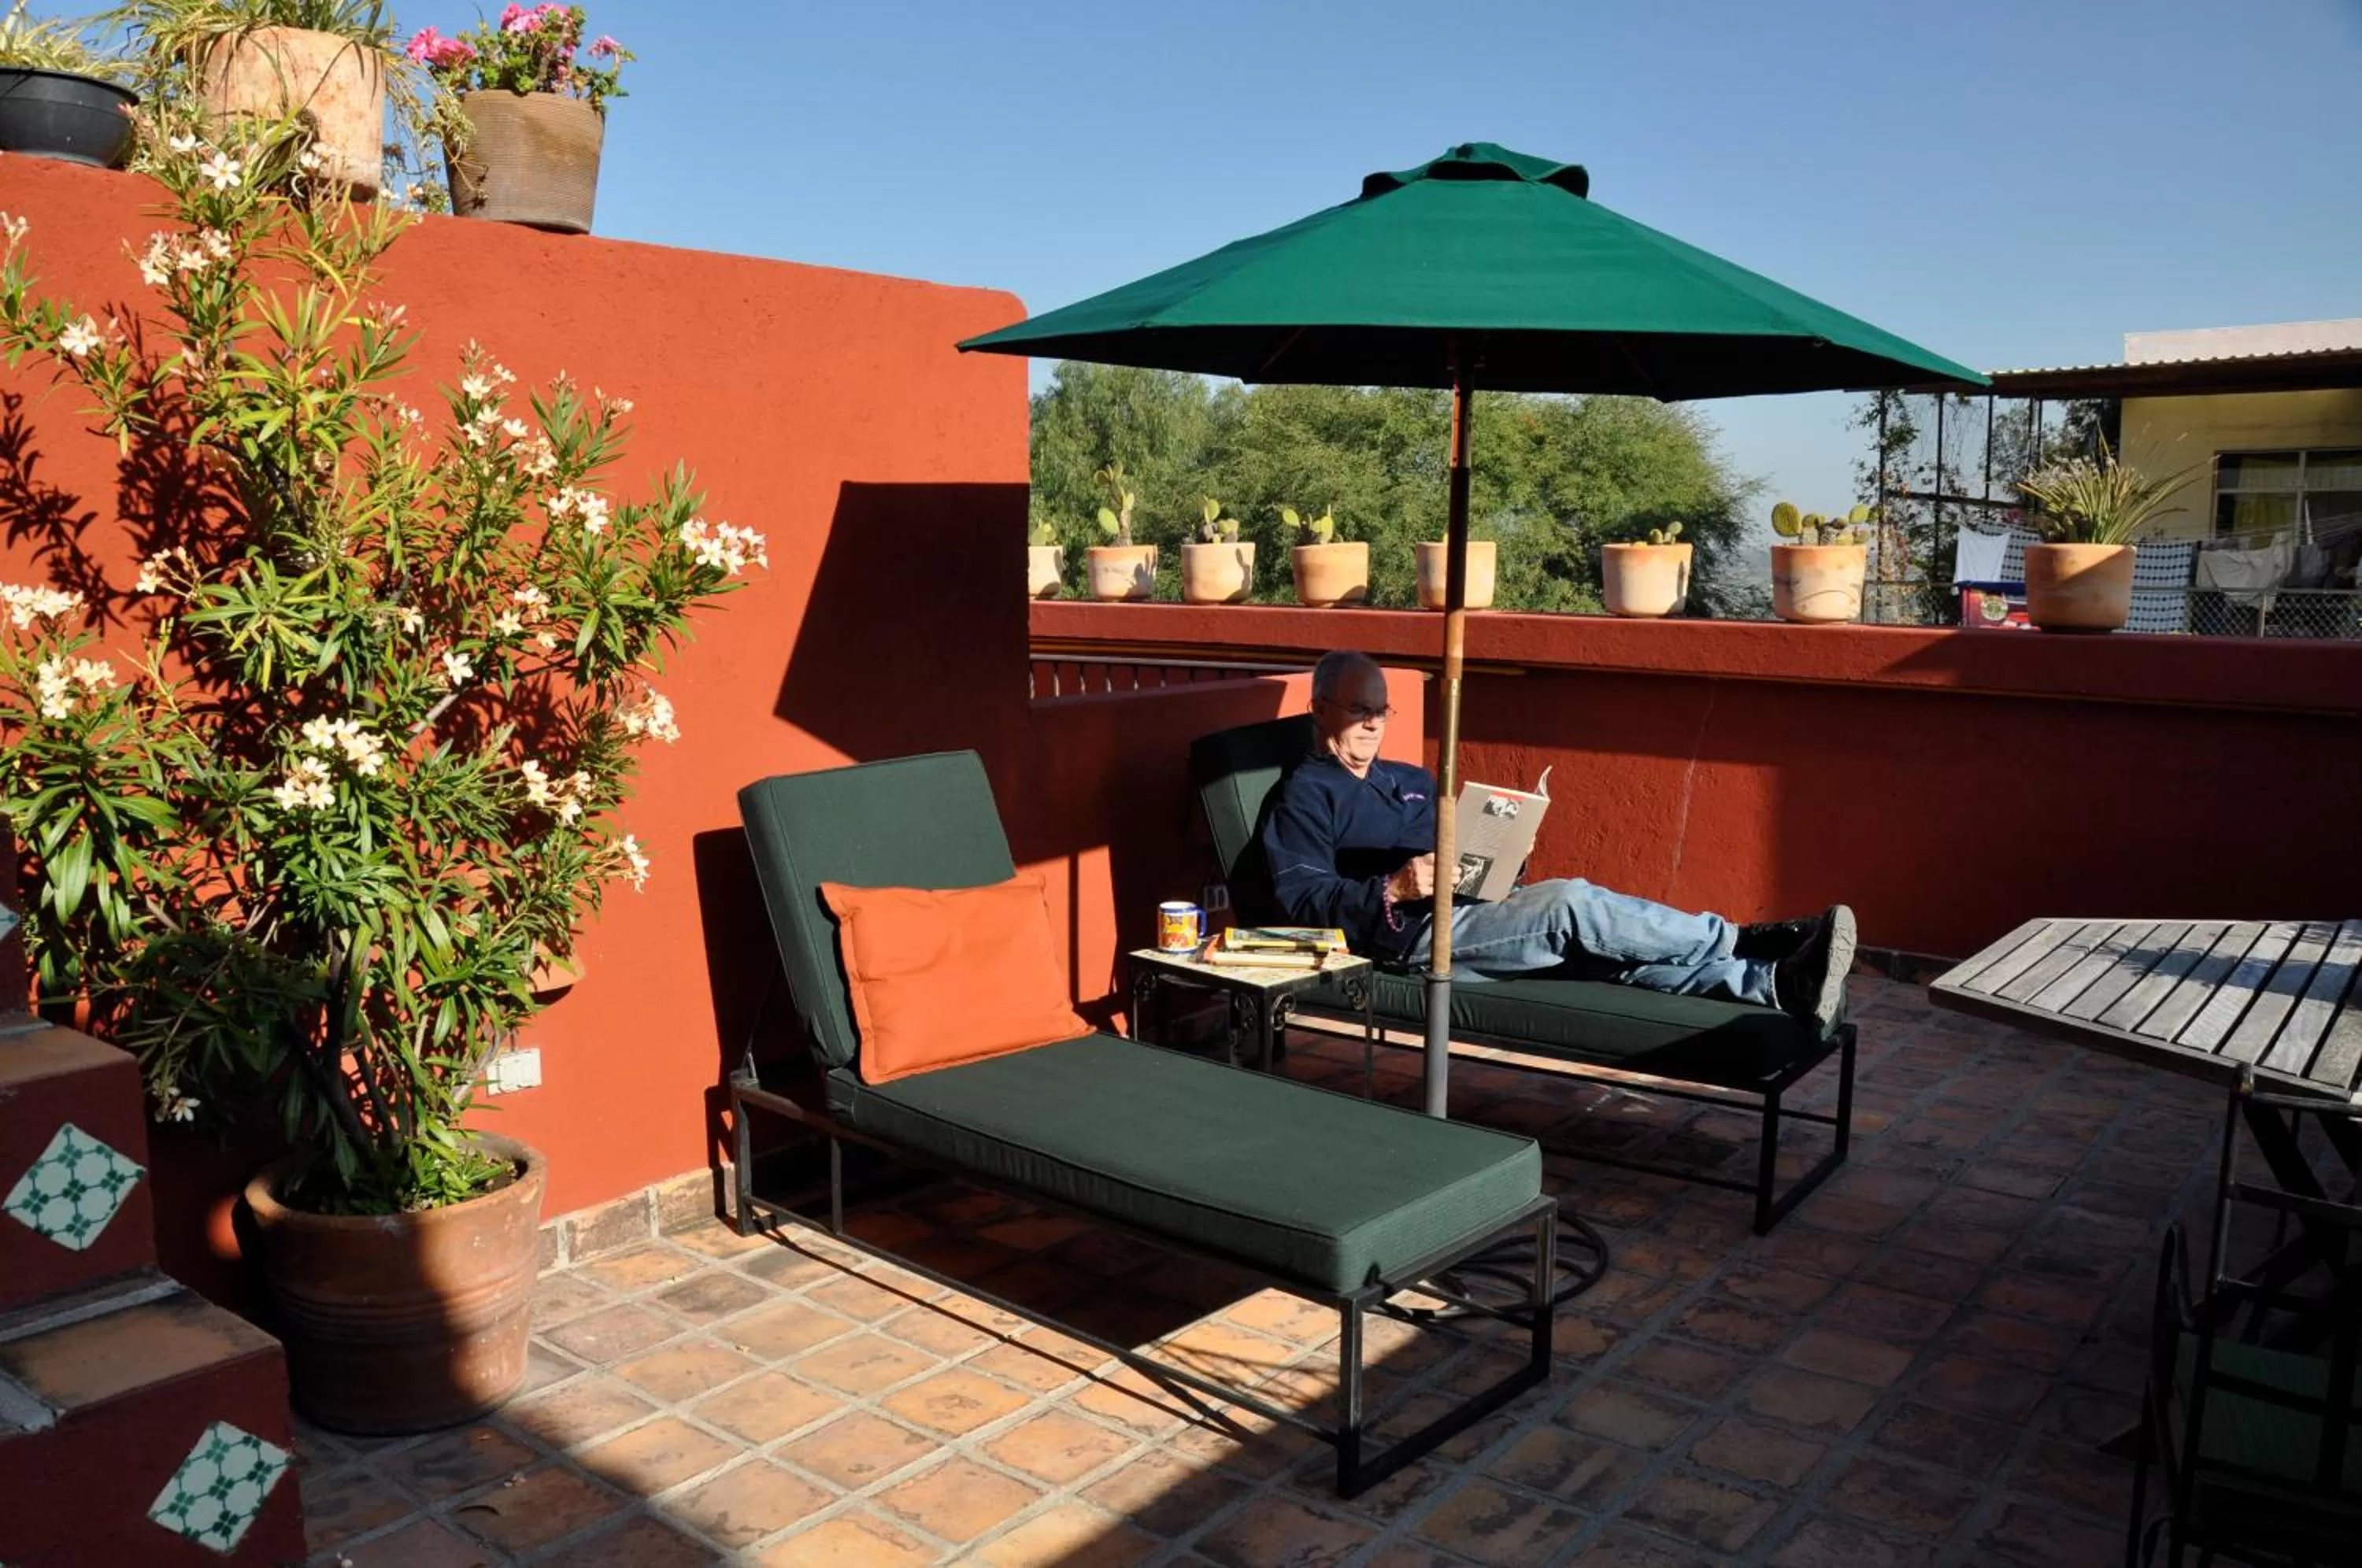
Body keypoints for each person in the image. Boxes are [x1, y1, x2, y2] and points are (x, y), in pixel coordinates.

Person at [1259, 650, 1856, 1031]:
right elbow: (1300, 901)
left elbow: (1461, 859)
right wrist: (1392, 887)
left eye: (1381, 710)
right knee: (1571, 904)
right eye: (1358, 710)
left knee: (1612, 957)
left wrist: (1505, 856)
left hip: (1478, 912)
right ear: (1319, 709)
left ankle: (1776, 985)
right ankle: (1744, 938)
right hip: (1412, 938)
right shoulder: (1303, 796)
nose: (1372, 723)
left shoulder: (1411, 779)